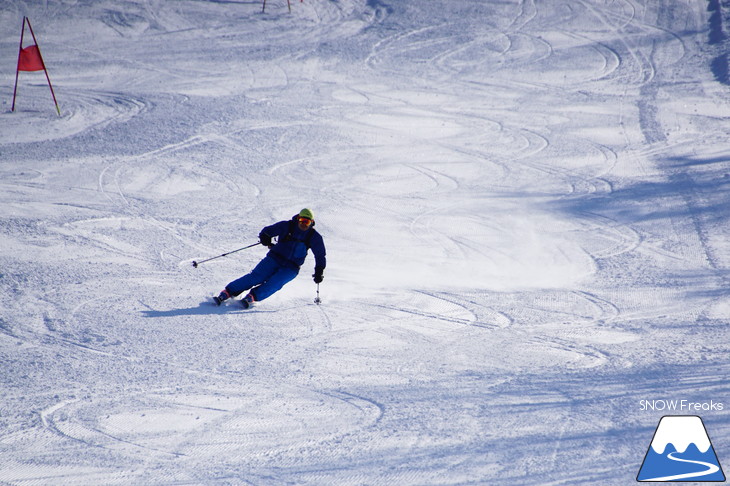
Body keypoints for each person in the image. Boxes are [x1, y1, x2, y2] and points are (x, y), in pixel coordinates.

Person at [213, 208, 326, 308]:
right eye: (302, 221)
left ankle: (253, 296)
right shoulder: (287, 226)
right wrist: (265, 237)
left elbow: (320, 255)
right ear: (298, 218)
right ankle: (228, 292)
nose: (304, 224)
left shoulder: (314, 236)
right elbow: (268, 231)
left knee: (275, 283)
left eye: (307, 222)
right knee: (257, 276)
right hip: (275, 257)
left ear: (312, 223)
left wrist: (319, 271)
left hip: (292, 267)